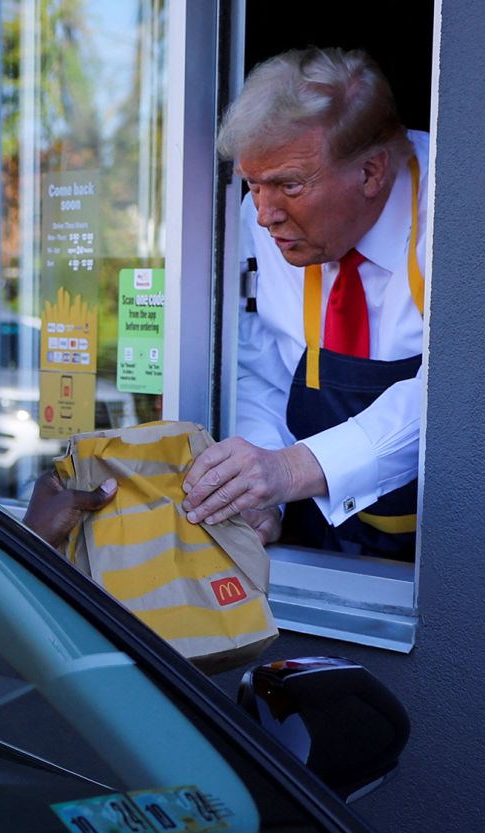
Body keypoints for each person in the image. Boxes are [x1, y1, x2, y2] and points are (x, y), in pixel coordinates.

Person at [181, 46, 430, 560]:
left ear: (371, 173)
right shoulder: (262, 216)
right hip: (319, 541)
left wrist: (291, 469)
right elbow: (267, 368)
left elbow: (457, 399)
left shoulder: (457, 206)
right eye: (253, 184)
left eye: (288, 185)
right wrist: (258, 491)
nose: (265, 214)